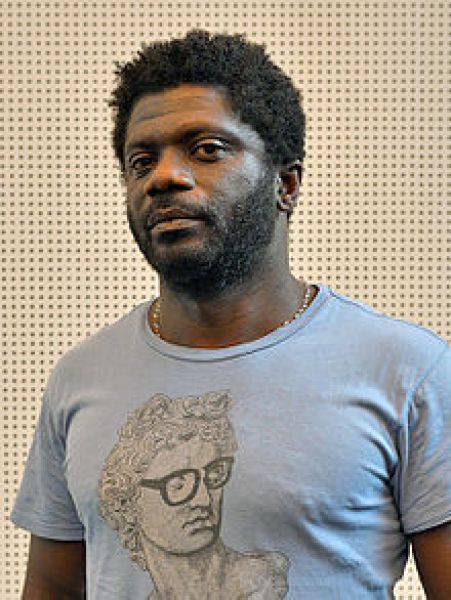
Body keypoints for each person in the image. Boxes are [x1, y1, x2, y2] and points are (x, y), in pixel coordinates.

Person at [11, 29, 451, 599]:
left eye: (207, 150)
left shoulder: (408, 372)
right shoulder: (80, 379)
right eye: (141, 161)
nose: (164, 177)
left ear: (285, 184)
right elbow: (51, 588)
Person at [97, 390, 289, 598]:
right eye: (178, 484)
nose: (204, 500)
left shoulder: (261, 585)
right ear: (129, 503)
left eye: (214, 475)